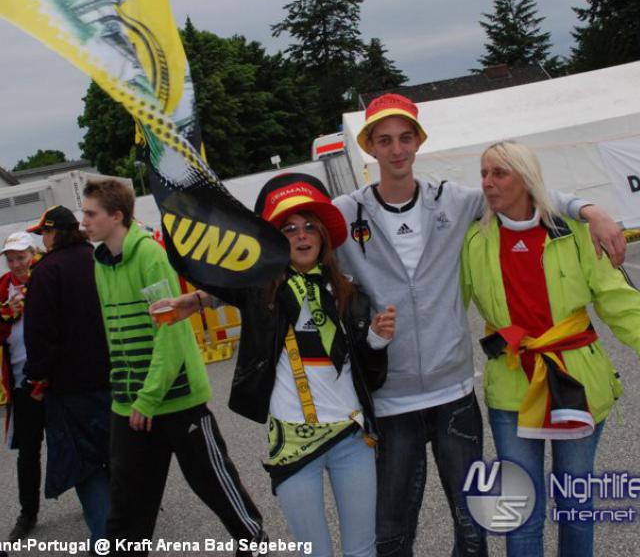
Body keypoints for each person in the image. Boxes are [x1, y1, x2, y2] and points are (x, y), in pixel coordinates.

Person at [332, 93, 627, 556]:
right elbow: (294, 238)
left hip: (461, 392)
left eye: (405, 137)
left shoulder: (455, 202)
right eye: (384, 140)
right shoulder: (348, 214)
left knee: (496, 523)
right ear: (368, 146)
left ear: (419, 142)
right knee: (399, 529)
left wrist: (590, 209)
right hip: (401, 397)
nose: (396, 149)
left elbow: (531, 194)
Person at [153, 173, 394, 557]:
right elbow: (205, 268)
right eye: (289, 228)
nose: (302, 236)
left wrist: (377, 342)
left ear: (323, 236)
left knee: (362, 551)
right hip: (294, 445)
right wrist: (175, 201)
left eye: (309, 226)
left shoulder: (350, 294)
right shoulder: (260, 291)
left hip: (352, 439)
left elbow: (372, 378)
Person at [460, 140, 640, 556]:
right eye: (483, 173)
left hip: (575, 384)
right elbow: (445, 306)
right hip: (511, 387)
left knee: (575, 505)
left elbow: (618, 302)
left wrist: (589, 211)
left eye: (499, 173)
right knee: (521, 510)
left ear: (526, 178)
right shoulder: (474, 239)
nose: (487, 183)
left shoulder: (573, 232)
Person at [80, 179, 266, 557]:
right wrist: (127, 394)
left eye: (90, 214)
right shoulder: (100, 262)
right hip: (130, 403)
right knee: (127, 502)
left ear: (116, 216)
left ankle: (254, 541)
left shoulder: (150, 254)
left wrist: (149, 397)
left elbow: (172, 332)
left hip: (178, 399)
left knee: (213, 482)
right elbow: (114, 334)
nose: (83, 222)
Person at [23, 205, 111, 551]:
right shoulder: (100, 259)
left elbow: (39, 334)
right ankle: (130, 528)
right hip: (115, 376)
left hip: (70, 387)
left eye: (44, 233)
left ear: (55, 232)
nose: (42, 240)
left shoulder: (47, 271)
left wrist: (36, 378)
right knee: (115, 454)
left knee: (85, 465)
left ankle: (106, 540)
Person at [0, 231, 44, 541]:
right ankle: (28, 512)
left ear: (33, 254)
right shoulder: (2, 287)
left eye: (21, 257)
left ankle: (98, 504)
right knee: (28, 453)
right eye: (11, 259)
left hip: (55, 380)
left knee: (75, 443)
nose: (16, 264)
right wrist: (8, 313)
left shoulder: (45, 279)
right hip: (20, 382)